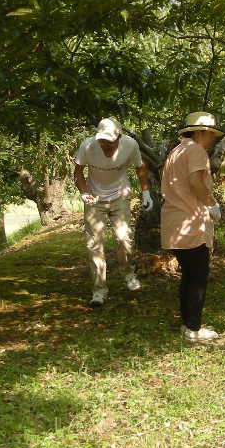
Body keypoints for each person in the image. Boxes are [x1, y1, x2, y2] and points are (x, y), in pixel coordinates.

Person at [74, 117, 153, 307]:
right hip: (94, 199)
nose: (105, 145)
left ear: (119, 137)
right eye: (102, 141)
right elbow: (78, 173)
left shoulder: (130, 145)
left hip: (120, 195)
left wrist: (146, 192)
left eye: (109, 141)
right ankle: (99, 290)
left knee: (123, 238)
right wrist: (84, 193)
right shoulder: (88, 146)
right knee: (94, 244)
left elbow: (140, 167)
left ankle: (128, 274)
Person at [161, 111, 224, 342]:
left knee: (189, 276)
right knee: (197, 277)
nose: (213, 139)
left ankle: (188, 324)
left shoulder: (177, 151)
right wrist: (211, 203)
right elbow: (196, 182)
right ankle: (193, 329)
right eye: (210, 134)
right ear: (199, 132)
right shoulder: (195, 150)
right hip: (190, 223)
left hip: (174, 222)